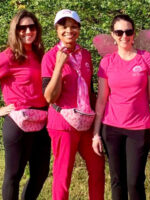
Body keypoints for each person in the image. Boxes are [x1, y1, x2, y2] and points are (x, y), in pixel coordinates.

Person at [92, 14, 150, 200]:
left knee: (135, 181)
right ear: (112, 34)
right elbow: (101, 99)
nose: (124, 36)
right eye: (119, 32)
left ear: (134, 33)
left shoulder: (147, 59)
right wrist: (96, 133)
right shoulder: (106, 62)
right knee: (117, 180)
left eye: (128, 31)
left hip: (140, 128)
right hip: (111, 128)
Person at [42, 9, 104, 200]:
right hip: (62, 124)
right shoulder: (50, 56)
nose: (69, 30)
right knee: (63, 177)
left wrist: (97, 127)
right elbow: (49, 98)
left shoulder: (85, 55)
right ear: (56, 30)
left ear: (79, 29)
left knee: (98, 170)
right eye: (64, 26)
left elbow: (91, 90)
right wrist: (60, 65)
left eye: (74, 26)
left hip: (87, 122)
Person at [0, 10, 51, 200]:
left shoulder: (40, 55)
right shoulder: (7, 56)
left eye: (32, 27)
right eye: (22, 27)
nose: (28, 31)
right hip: (18, 122)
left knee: (40, 173)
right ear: (15, 30)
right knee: (13, 176)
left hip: (43, 120)